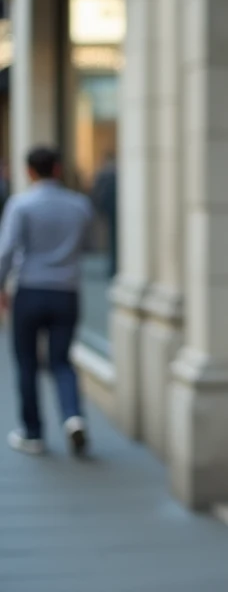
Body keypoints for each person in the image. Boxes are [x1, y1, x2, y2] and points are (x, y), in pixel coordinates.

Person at [1, 146, 94, 456]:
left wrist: (1, 286)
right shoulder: (80, 205)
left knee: (26, 362)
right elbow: (88, 244)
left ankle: (33, 432)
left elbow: (7, 250)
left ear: (29, 172)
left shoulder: (21, 204)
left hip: (30, 289)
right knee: (62, 360)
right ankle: (73, 417)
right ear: (57, 169)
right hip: (66, 292)